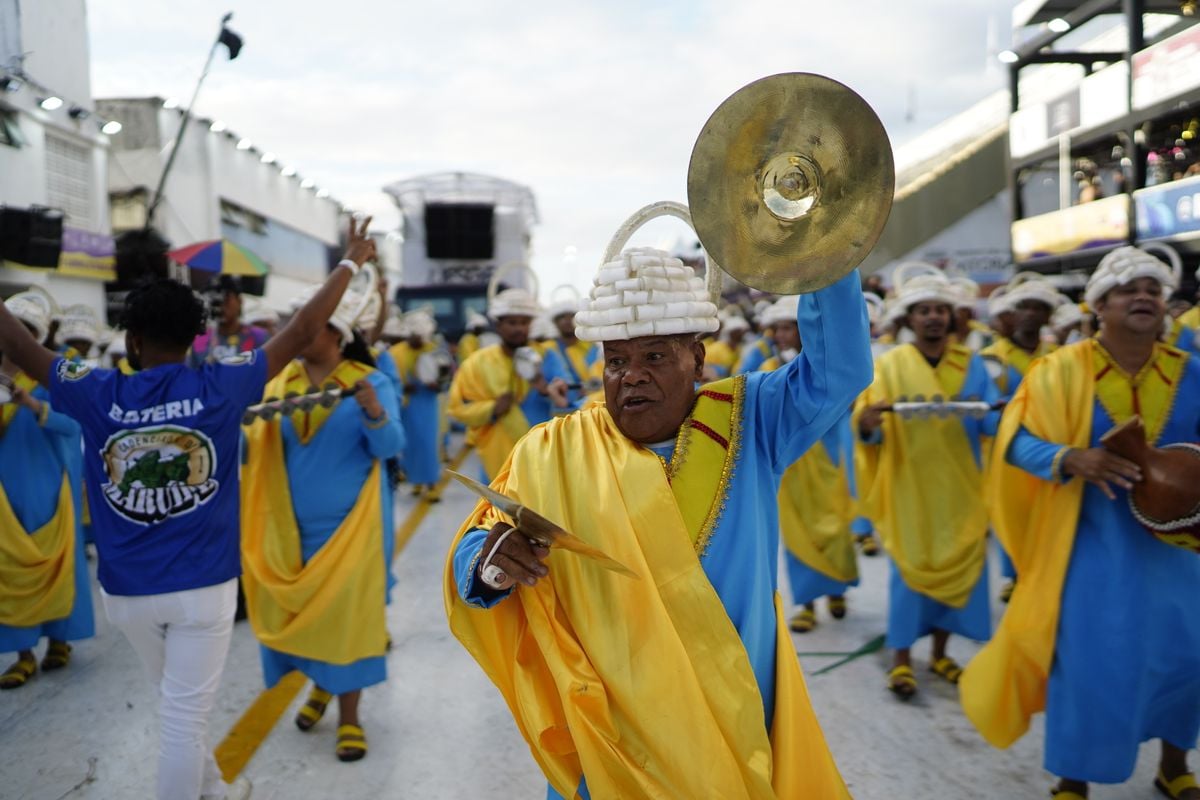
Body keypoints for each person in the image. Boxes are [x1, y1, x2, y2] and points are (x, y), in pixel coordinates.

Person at [445, 246, 871, 799]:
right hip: (610, 737)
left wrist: (826, 250)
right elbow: (475, 550)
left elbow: (841, 369)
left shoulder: (754, 418)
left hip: (730, 720)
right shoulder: (552, 450)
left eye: (654, 357)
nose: (631, 377)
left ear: (697, 358)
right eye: (617, 360)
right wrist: (492, 562)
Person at [0, 216, 377, 800]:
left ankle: (217, 788)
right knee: (182, 717)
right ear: (197, 337)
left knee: (177, 707)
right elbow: (305, 328)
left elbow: (19, 345)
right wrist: (351, 259)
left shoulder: (95, 389)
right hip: (204, 590)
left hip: (126, 594)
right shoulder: (224, 384)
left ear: (130, 340)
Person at [961, 247, 1200, 800]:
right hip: (1092, 545)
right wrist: (1071, 459)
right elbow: (1015, 442)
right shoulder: (1060, 371)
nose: (1143, 296)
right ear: (1098, 306)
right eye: (1127, 290)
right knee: (1092, 660)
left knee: (1184, 657)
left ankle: (1174, 762)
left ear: (1166, 307)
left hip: (1178, 549)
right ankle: (1073, 776)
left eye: (1153, 289)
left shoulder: (1192, 373)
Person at [240, 283, 404, 764]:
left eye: (311, 325)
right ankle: (323, 688)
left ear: (337, 334)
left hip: (354, 527)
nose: (300, 332)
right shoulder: (278, 384)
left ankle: (350, 718)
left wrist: (374, 410)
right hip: (290, 529)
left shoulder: (368, 380)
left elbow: (391, 446)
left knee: (349, 622)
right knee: (309, 617)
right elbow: (255, 450)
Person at [854, 271, 999, 700]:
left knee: (961, 569)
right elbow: (869, 425)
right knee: (909, 575)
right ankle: (901, 661)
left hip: (960, 488)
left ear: (950, 317)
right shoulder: (890, 366)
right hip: (910, 488)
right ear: (909, 319)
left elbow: (990, 419)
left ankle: (940, 652)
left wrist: (1005, 415)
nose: (932, 317)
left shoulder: (972, 365)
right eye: (923, 311)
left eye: (939, 310)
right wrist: (866, 424)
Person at [0, 293, 94, 689]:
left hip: (51, 482)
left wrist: (31, 405)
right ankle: (22, 654)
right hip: (7, 489)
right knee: (9, 569)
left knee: (60, 562)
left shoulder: (57, 373)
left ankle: (60, 640)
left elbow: (74, 425)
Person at [758, 296, 858, 633]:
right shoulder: (766, 370)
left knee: (835, 527)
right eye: (779, 328)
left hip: (828, 459)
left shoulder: (824, 368)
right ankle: (807, 605)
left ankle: (836, 591)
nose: (783, 334)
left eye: (790, 327)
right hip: (791, 468)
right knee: (797, 537)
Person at [980, 275, 1064, 602]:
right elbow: (986, 406)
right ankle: (1013, 574)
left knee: (1046, 511)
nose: (1030, 313)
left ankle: (1043, 568)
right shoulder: (992, 358)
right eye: (1024, 307)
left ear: (1048, 316)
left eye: (1038, 308)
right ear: (1012, 314)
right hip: (1007, 448)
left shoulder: (1060, 356)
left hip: (1050, 447)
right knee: (1011, 509)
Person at [446, 288, 568, 482]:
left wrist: (545, 389)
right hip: (495, 458)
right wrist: (492, 408)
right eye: (512, 322)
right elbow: (457, 408)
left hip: (541, 455)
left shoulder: (547, 356)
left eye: (524, 322)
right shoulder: (477, 363)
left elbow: (571, 399)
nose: (518, 328)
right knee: (498, 508)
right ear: (498, 325)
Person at [389, 310, 444, 498]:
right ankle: (416, 482)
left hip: (426, 404)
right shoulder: (395, 353)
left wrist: (436, 384)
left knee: (428, 444)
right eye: (413, 336)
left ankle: (431, 484)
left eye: (420, 337)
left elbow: (444, 379)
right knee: (410, 445)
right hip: (405, 405)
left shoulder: (433, 350)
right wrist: (404, 387)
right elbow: (388, 380)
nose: (417, 340)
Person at [188, 275, 269, 366]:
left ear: (239, 301)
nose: (220, 305)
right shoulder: (199, 340)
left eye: (225, 298)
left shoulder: (259, 338)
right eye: (213, 299)